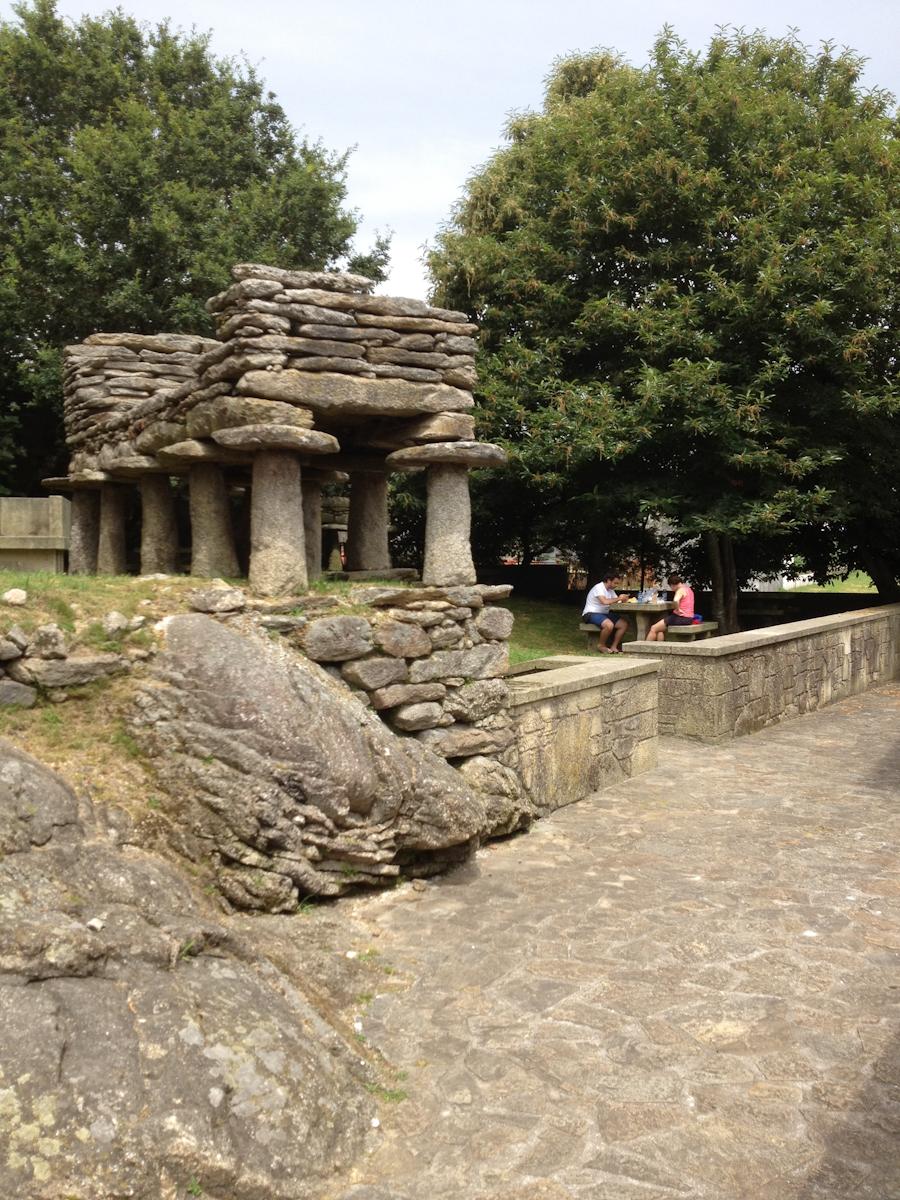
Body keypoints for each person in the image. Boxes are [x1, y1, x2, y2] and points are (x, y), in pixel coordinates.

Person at [582, 571, 629, 653]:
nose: (616, 585)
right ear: (608, 580)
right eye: (615, 583)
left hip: (604, 614)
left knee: (623, 624)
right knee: (609, 625)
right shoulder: (599, 587)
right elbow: (604, 601)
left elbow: (616, 602)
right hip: (590, 613)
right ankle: (601, 645)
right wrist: (619, 598)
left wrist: (623, 600)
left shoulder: (610, 590)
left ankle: (614, 646)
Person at [646, 573, 695, 640]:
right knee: (660, 630)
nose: (671, 589)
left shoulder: (680, 590)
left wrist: (678, 609)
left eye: (670, 586)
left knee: (653, 628)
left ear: (672, 585)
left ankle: (645, 648)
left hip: (680, 617)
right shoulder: (689, 589)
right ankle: (659, 648)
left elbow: (675, 600)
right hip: (689, 618)